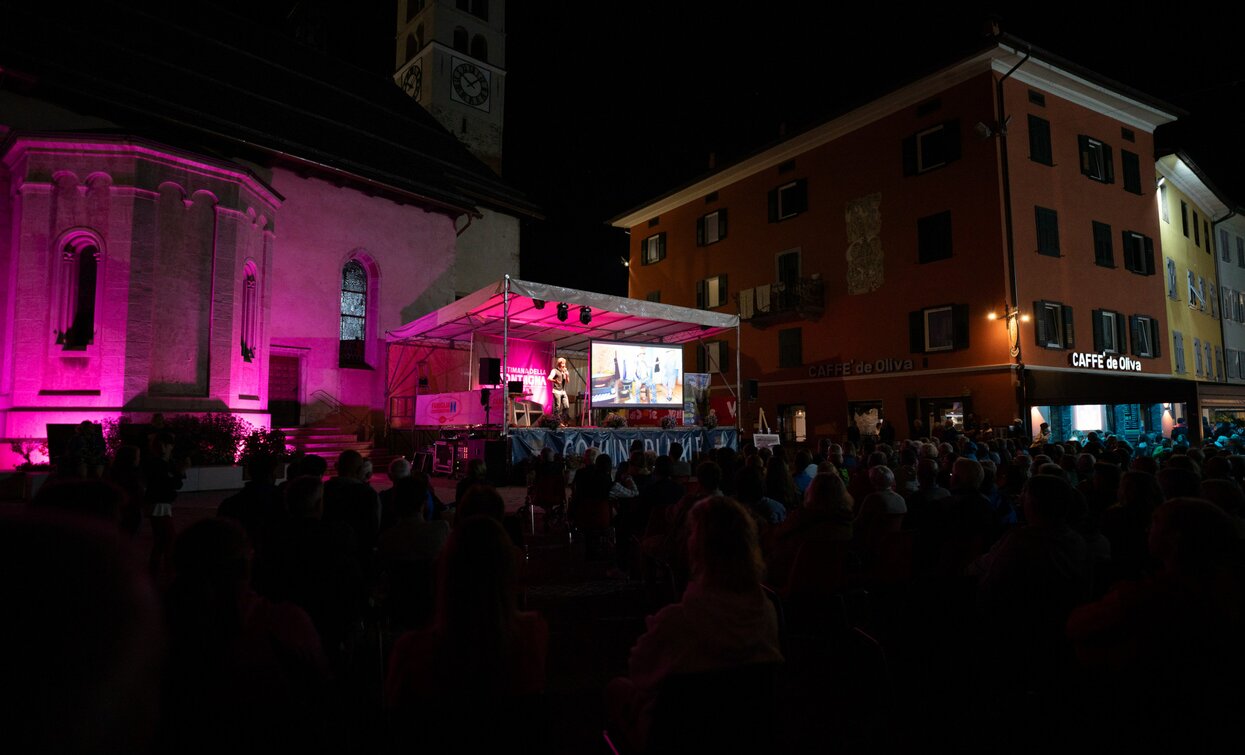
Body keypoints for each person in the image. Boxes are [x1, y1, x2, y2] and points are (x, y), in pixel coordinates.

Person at [607, 496, 783, 752]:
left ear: (697, 548)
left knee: (616, 689)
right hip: (747, 732)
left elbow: (640, 671)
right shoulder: (767, 611)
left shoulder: (678, 621)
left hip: (676, 735)